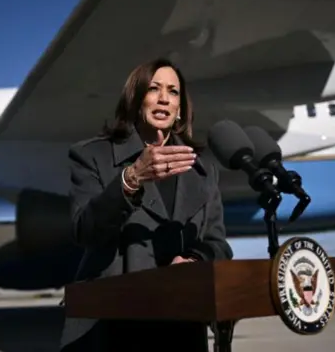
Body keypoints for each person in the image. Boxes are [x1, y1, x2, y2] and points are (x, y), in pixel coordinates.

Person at [59, 58, 234, 352]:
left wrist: (194, 259)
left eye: (173, 92)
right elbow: (84, 230)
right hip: (112, 328)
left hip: (181, 328)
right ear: (136, 98)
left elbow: (217, 244)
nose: (164, 98)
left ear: (180, 109)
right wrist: (130, 179)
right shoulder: (92, 156)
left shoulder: (203, 169)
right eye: (154, 89)